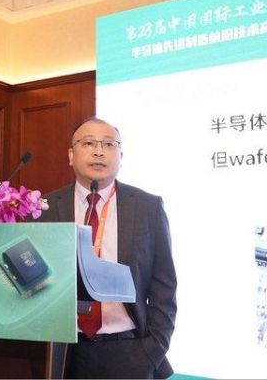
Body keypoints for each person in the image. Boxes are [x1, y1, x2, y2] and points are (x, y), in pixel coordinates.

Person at [39, 118, 177, 379]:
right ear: (71, 155)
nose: (99, 152)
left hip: (128, 351)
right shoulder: (45, 207)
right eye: (89, 143)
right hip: (64, 351)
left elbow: (164, 285)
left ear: (121, 156)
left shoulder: (147, 207)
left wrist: (151, 351)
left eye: (109, 144)